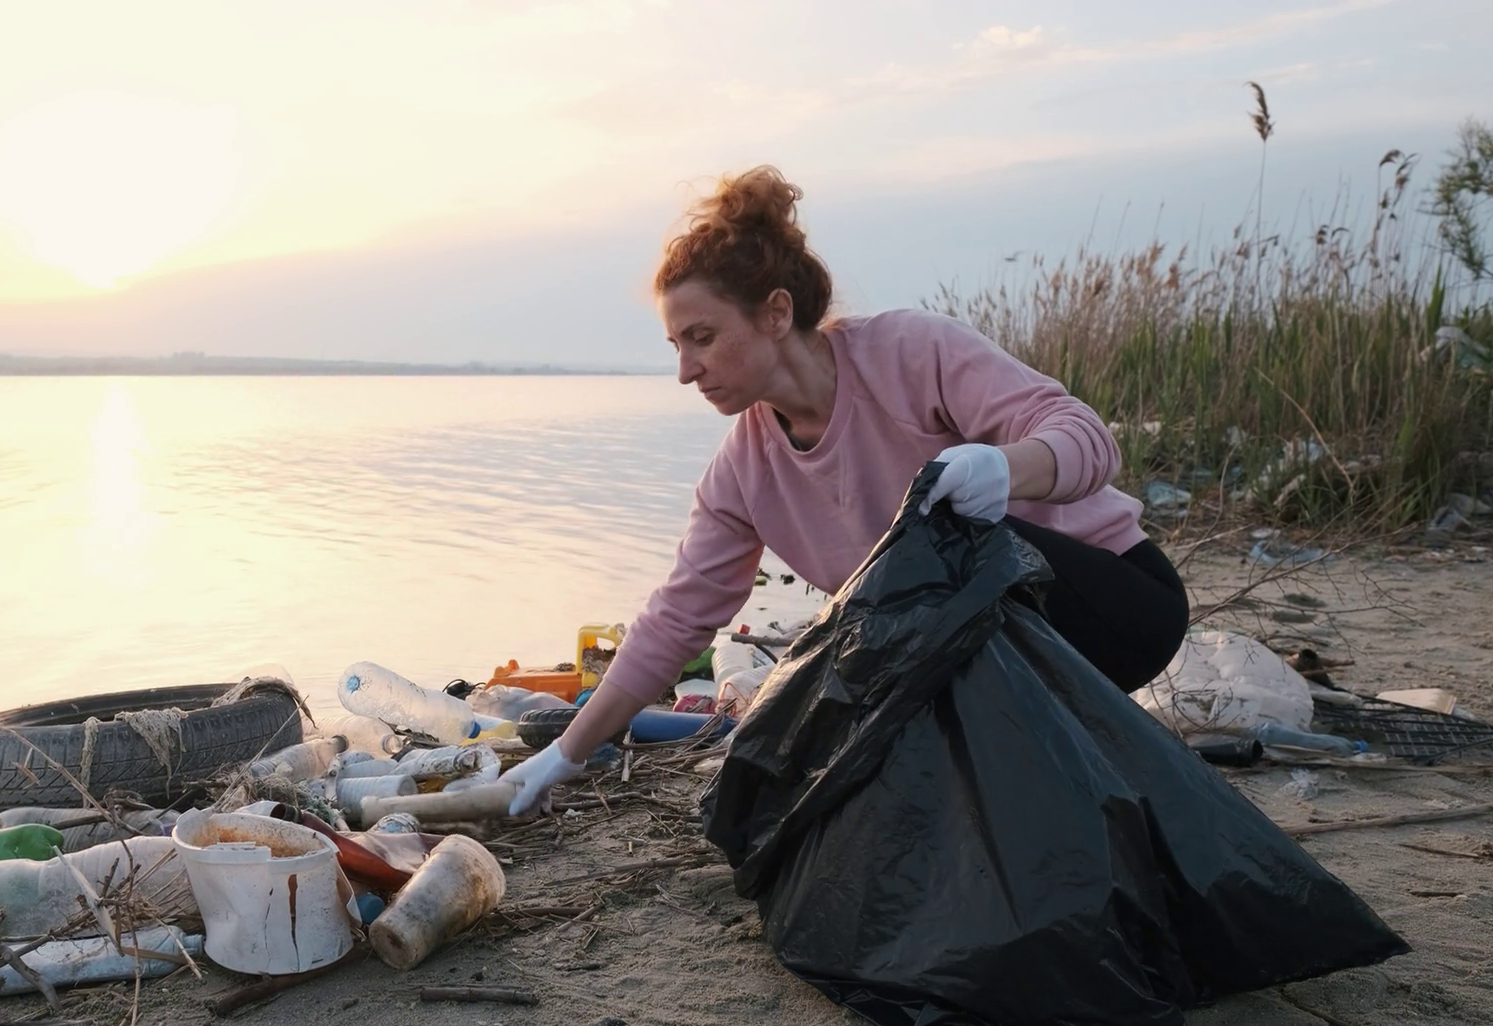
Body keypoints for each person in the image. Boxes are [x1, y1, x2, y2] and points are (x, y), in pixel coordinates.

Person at [501, 166, 1190, 815]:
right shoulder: (741, 472)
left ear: (776, 313)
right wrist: (566, 754)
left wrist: (1004, 468)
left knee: (940, 545)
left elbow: (1089, 439)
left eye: (701, 338)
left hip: (1113, 611)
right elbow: (676, 618)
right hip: (982, 662)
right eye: (676, 345)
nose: (687, 369)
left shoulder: (909, 352)